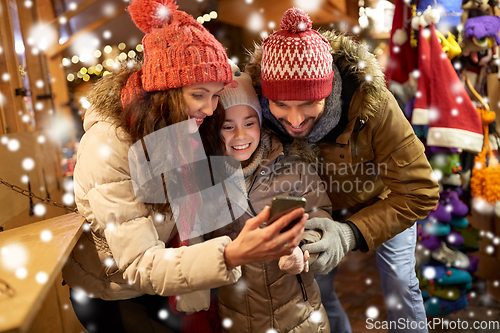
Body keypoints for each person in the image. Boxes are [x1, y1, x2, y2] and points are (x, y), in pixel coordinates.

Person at [62, 2, 307, 333]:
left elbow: (218, 212)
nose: (209, 108)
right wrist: (231, 255)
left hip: (168, 273)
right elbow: (137, 263)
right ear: (166, 90)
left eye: (216, 94)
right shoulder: (111, 146)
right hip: (113, 290)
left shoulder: (187, 128)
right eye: (198, 94)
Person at [245, 7, 440, 333]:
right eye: (281, 105)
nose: (294, 121)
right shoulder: (256, 111)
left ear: (329, 88)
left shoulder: (372, 102)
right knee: (316, 286)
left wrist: (350, 233)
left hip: (384, 199)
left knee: (401, 281)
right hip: (319, 210)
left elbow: (420, 191)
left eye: (308, 103)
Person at [205, 62, 334, 332]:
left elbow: (320, 215)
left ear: (260, 123)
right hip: (241, 318)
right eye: (228, 126)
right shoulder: (207, 182)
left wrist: (304, 249)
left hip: (300, 314)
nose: (241, 135)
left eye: (249, 123)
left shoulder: (294, 168)